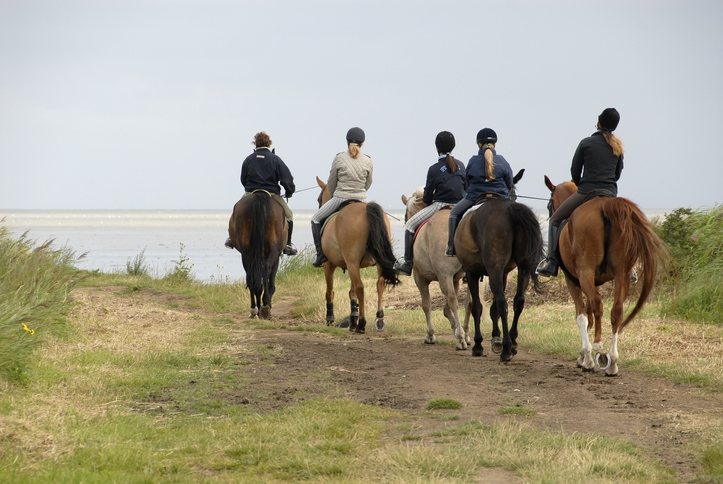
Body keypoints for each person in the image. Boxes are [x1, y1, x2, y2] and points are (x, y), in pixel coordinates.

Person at [536, 108, 624, 276]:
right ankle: (630, 267)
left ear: (598, 123)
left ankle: (552, 263)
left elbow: (575, 172)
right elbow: (617, 175)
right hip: (610, 194)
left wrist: (580, 184)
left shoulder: (586, 143)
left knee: (554, 220)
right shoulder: (618, 147)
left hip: (586, 191)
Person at [394, 131, 466, 276]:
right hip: (460, 206)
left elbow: (426, 197)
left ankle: (408, 264)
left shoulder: (434, 169)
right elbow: (466, 188)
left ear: (436, 148)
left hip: (440, 205)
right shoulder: (461, 165)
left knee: (409, 225)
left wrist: (430, 199)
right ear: (453, 147)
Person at [225, 131, 298, 256]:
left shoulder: (248, 159)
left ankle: (232, 238)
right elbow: (287, 179)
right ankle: (288, 244)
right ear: (269, 143)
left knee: (236, 210)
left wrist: (249, 189)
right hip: (272, 194)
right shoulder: (275, 159)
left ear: (255, 143)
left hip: (250, 192)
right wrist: (289, 191)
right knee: (289, 215)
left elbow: (243, 179)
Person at [445, 128, 514, 256]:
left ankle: (451, 248)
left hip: (474, 197)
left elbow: (467, 183)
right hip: (501, 198)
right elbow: (509, 183)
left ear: (479, 144)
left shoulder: (473, 160)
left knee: (454, 213)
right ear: (495, 144)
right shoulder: (503, 161)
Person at [311, 127, 373, 267]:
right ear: (362, 143)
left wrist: (334, 196)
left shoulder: (339, 158)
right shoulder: (368, 160)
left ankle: (320, 256)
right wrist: (360, 192)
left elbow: (332, 182)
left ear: (347, 141)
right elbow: (368, 183)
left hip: (340, 197)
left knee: (315, 219)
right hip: (362, 198)